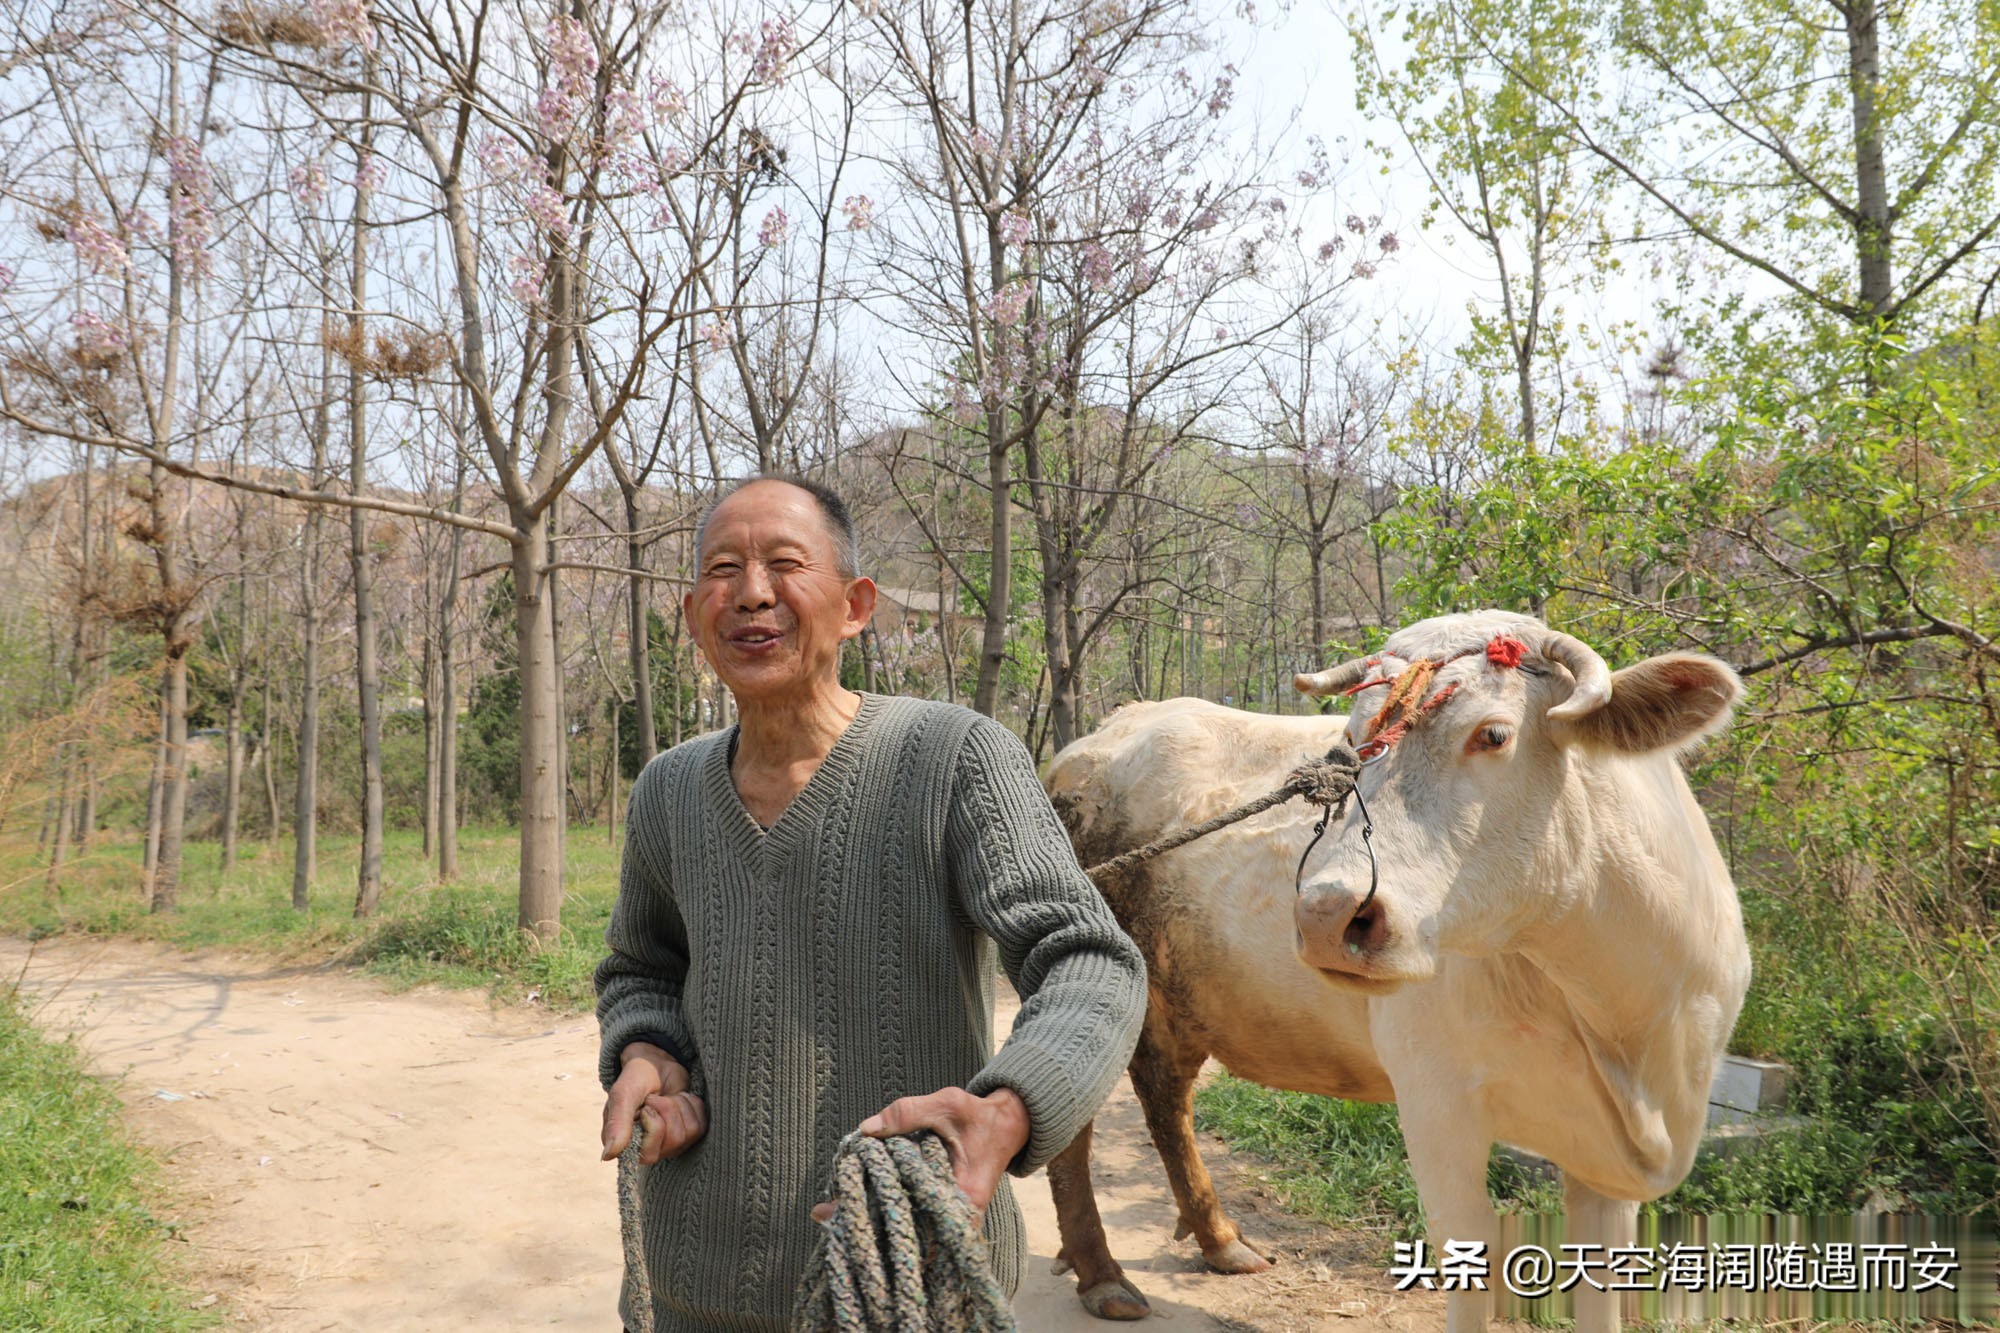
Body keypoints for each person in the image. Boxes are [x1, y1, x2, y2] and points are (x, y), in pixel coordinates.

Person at [594, 475, 1148, 1332]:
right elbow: (644, 968)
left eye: (784, 563)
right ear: (692, 610)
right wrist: (647, 1054)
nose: (750, 592)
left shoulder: (954, 757)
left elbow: (1088, 959)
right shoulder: (667, 791)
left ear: (855, 606)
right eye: (722, 569)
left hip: (913, 1274)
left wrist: (1008, 1111)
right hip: (695, 1277)